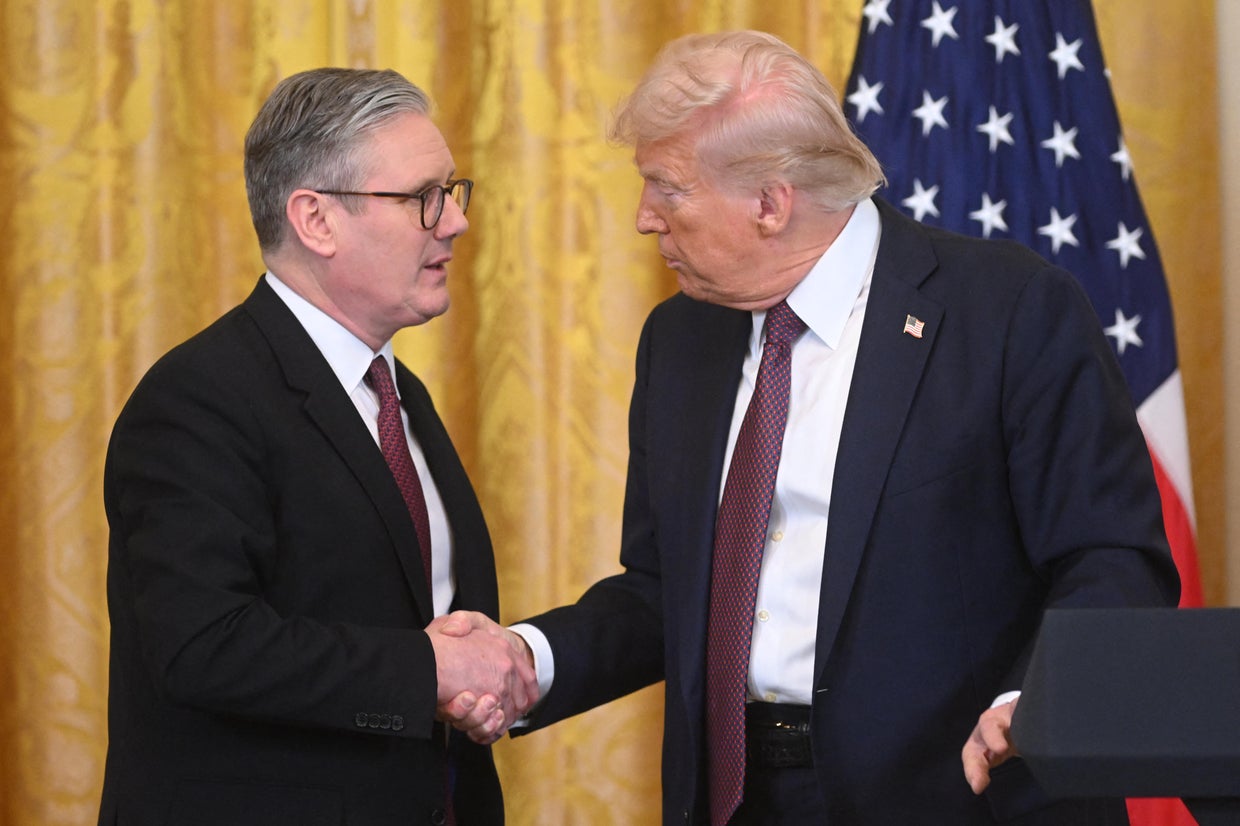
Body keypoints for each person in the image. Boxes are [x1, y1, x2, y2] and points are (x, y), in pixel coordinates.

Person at [495, 30, 1180, 825]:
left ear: (769, 202)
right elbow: (663, 593)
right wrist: (526, 659)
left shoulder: (1011, 312)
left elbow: (1111, 554)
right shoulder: (680, 340)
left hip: (960, 797)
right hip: (739, 796)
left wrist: (1036, 702)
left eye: (666, 188)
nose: (646, 219)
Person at [98, 67, 536, 826]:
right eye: (422, 198)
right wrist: (429, 669)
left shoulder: (397, 393)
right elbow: (203, 645)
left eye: (452, 193)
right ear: (315, 220)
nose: (455, 222)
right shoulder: (197, 399)